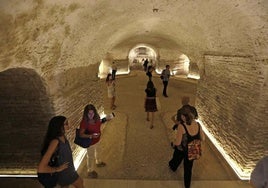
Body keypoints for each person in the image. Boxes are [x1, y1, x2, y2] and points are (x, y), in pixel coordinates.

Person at [37, 116, 84, 188]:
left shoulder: (63, 137)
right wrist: (57, 169)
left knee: (78, 183)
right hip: (64, 174)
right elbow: (41, 168)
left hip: (69, 171)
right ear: (59, 127)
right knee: (80, 183)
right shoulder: (55, 142)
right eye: (66, 123)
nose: (68, 125)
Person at [169, 108, 205, 188]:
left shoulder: (182, 126)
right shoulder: (198, 124)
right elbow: (203, 138)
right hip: (192, 149)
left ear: (184, 117)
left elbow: (178, 142)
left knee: (176, 157)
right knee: (188, 169)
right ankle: (187, 185)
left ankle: (173, 167)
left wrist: (173, 143)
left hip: (183, 149)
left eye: (181, 116)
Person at [79, 104, 107, 178]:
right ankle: (90, 171)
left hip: (98, 139)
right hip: (90, 143)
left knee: (98, 151)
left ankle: (98, 162)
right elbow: (81, 134)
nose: (91, 115)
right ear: (86, 113)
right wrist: (91, 136)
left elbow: (99, 123)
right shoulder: (84, 123)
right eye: (89, 113)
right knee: (90, 156)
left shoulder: (96, 118)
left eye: (92, 113)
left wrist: (106, 119)